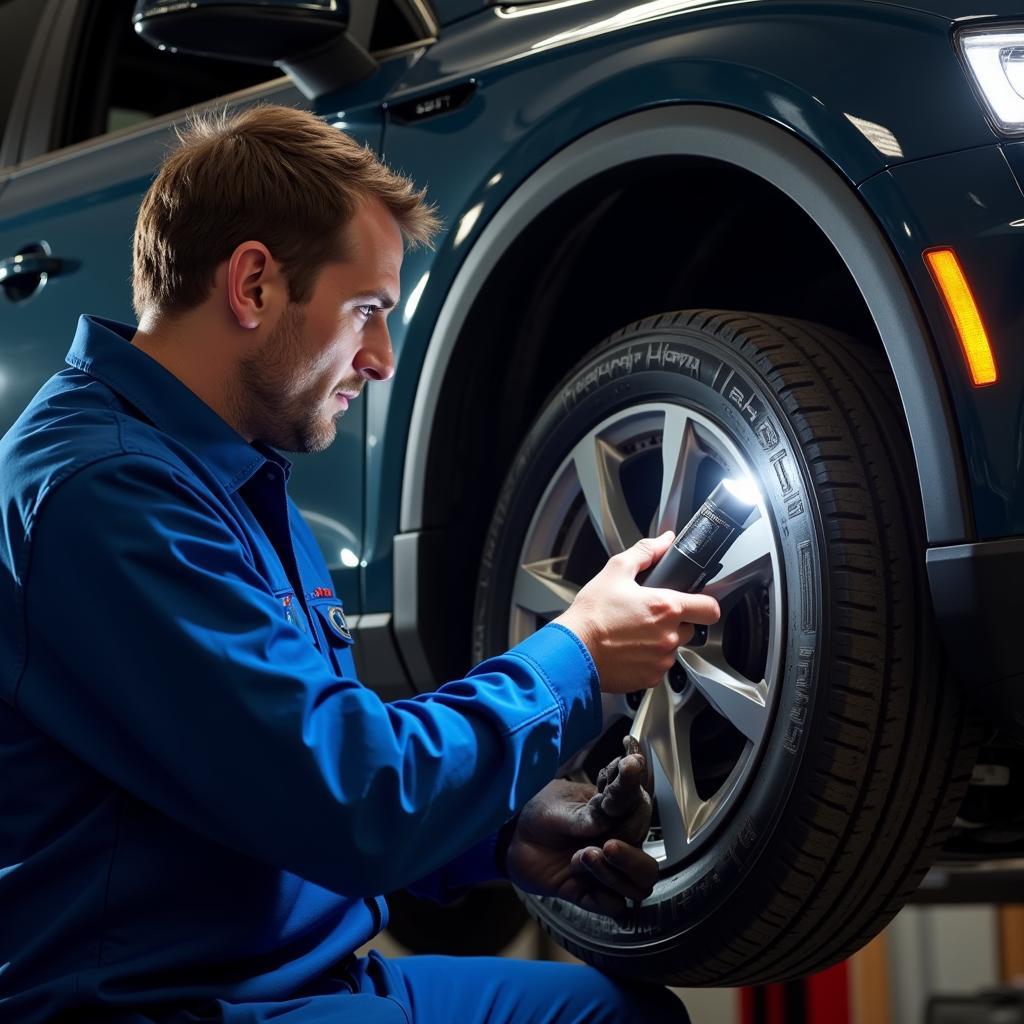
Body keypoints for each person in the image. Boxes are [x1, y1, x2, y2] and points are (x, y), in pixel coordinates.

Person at [0, 105, 720, 1024]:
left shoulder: (230, 473)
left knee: (620, 1013)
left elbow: (290, 766)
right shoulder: (102, 493)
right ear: (253, 284)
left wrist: (504, 837)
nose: (380, 359)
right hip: (166, 1003)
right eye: (367, 311)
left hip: (299, 979)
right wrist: (575, 654)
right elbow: (353, 795)